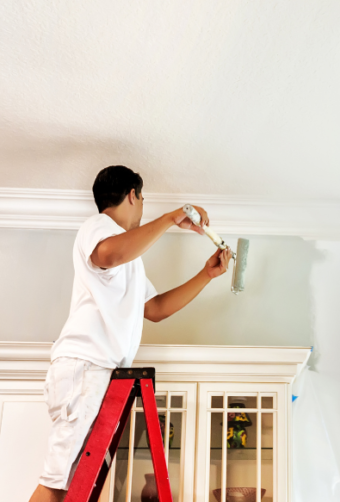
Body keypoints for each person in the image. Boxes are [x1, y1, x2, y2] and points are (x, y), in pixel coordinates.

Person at [28, 165, 230, 502]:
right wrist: (169, 218)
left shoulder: (131, 262)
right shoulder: (98, 227)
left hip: (96, 369)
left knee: (73, 486)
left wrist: (205, 275)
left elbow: (156, 309)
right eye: (144, 199)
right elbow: (108, 253)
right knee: (56, 482)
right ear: (133, 195)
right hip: (86, 365)